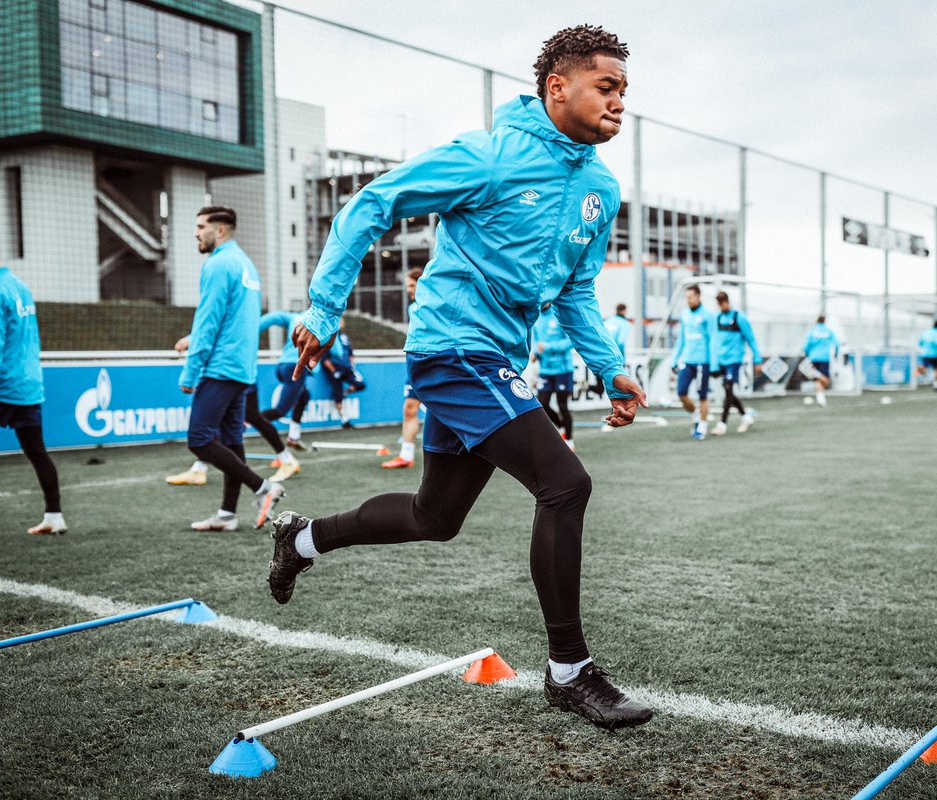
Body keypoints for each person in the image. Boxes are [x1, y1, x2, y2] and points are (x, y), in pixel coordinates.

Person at [266, 25, 653, 729]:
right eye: (608, 86)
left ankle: (300, 538)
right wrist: (324, 309)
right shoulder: (490, 155)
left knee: (434, 518)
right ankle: (569, 669)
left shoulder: (599, 187)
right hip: (452, 350)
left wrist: (611, 366)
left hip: (497, 360)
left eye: (625, 90)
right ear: (557, 86)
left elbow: (575, 292)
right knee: (565, 483)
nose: (620, 102)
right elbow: (370, 204)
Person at [179, 207, 284, 531]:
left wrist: (190, 372)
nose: (196, 233)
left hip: (221, 367)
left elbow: (209, 321)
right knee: (231, 438)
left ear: (220, 230)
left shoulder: (218, 264)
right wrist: (194, 338)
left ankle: (264, 487)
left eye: (201, 227)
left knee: (199, 440)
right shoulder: (244, 264)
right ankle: (227, 514)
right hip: (242, 366)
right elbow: (233, 319)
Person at [0, 231, 65, 537]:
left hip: (1, 387)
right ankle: (54, 515)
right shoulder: (19, 287)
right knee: (36, 449)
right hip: (28, 385)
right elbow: (16, 341)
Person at [166, 334, 301, 484]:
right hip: (236, 370)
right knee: (230, 421)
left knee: (247, 418)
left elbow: (217, 328)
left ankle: (279, 468)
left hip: (232, 372)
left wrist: (192, 339)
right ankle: (201, 469)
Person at [382, 267, 425, 469]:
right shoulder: (412, 308)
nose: (409, 290)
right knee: (409, 408)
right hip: (415, 362)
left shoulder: (437, 305)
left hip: (436, 362)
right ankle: (406, 455)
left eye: (412, 285)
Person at [259, 310, 313, 449]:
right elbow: (336, 351)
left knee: (304, 396)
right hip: (296, 368)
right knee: (280, 411)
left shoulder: (296, 317)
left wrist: (254, 328)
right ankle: (244, 423)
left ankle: (294, 437)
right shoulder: (326, 321)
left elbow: (274, 316)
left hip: (283, 365)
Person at [711, 291, 762, 435]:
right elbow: (715, 341)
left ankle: (722, 424)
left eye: (723, 302)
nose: (722, 305)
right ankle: (746, 417)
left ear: (728, 301)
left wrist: (757, 360)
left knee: (728, 388)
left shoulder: (739, 317)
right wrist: (714, 363)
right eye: (719, 303)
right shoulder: (718, 318)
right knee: (729, 391)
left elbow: (751, 338)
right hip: (721, 361)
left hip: (734, 361)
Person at [672, 284, 718, 440]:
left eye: (690, 297)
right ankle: (696, 415)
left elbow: (713, 339)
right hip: (687, 361)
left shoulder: (708, 315)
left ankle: (702, 426)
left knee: (702, 396)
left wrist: (714, 364)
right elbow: (681, 339)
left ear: (698, 296)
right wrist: (674, 359)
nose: (688, 300)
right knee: (681, 393)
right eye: (687, 298)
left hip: (702, 362)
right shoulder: (684, 314)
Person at [532, 307, 577, 452]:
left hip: (563, 370)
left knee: (562, 405)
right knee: (542, 404)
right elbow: (536, 342)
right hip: (545, 370)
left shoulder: (559, 314)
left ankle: (569, 439)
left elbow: (570, 341)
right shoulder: (536, 317)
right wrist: (535, 353)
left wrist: (547, 347)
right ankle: (560, 426)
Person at [321, 316, 366, 430]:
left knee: (361, 384)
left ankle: (345, 393)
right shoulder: (327, 338)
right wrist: (334, 371)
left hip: (346, 369)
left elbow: (350, 354)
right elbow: (325, 358)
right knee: (338, 394)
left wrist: (352, 366)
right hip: (335, 370)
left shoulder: (344, 338)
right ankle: (344, 419)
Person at [802, 314, 838, 407]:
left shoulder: (812, 331)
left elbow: (806, 345)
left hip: (813, 357)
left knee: (818, 379)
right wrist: (836, 354)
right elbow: (836, 344)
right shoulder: (829, 331)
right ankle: (820, 397)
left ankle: (820, 398)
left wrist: (807, 354)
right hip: (824, 357)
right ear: (824, 321)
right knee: (825, 380)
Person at [917, 319, 937, 391]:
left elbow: (920, 343)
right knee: (936, 370)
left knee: (923, 367)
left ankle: (915, 378)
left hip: (925, 353)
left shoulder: (926, 332)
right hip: (935, 354)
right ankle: (936, 385)